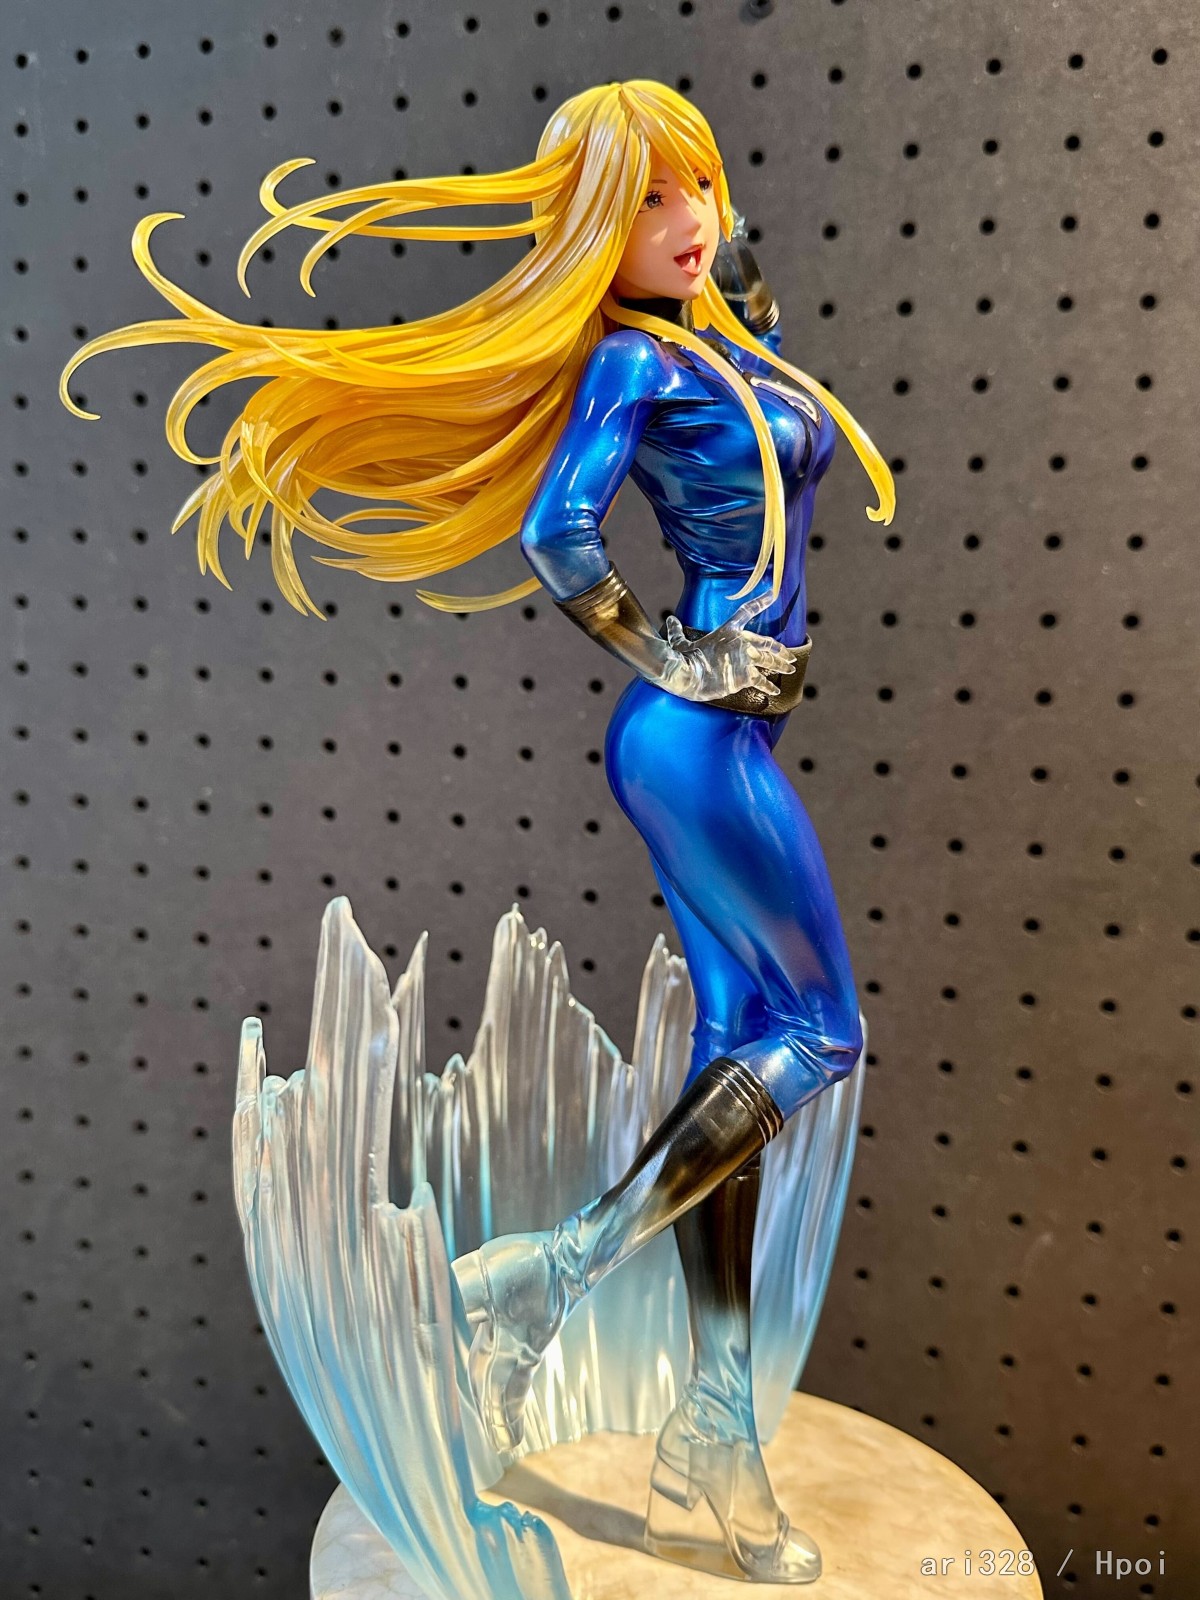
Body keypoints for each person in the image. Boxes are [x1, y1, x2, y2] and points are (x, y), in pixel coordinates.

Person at [59, 80, 894, 1584]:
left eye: (698, 187)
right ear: (594, 229)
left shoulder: (719, 333)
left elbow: (746, 312)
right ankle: (546, 1276)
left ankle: (713, 1431)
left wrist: (719, 247)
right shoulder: (634, 364)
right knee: (820, 1034)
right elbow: (557, 533)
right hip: (696, 739)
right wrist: (675, 654)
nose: (686, 220)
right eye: (647, 201)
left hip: (732, 734)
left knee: (734, 1062)